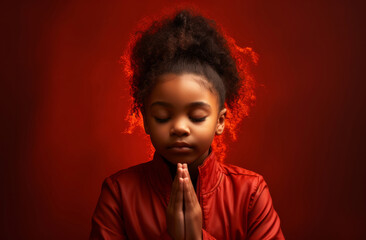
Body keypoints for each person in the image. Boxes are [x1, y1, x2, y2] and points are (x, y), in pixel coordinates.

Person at [90, 7, 285, 240]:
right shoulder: (118, 193)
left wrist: (197, 238)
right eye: (163, 116)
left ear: (220, 121)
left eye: (196, 117)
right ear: (145, 120)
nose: (180, 128)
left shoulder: (251, 193)